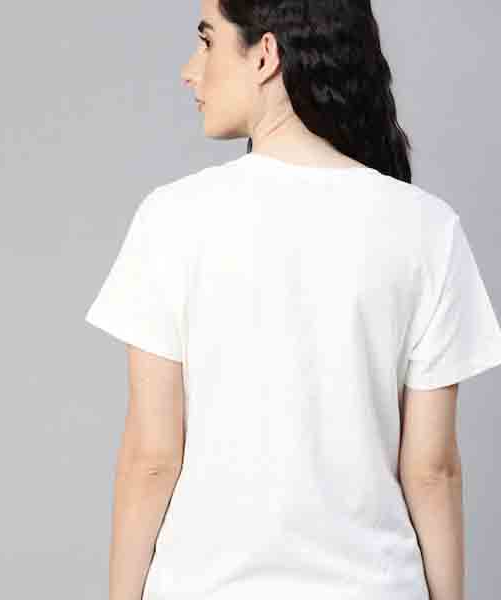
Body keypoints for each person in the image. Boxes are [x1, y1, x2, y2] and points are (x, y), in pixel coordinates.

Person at [84, 1, 501, 599]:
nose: (189, 70)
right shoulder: (427, 228)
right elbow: (432, 471)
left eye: (207, 41)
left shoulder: (172, 219)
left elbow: (152, 459)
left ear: (265, 56)